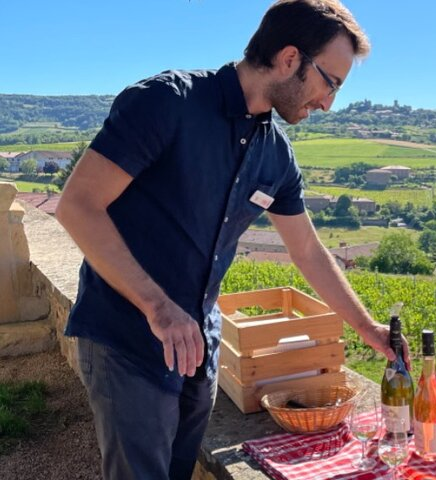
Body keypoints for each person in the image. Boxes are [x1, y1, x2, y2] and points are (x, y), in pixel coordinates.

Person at [56, 1, 408, 479]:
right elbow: (78, 205)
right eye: (331, 82)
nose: (329, 102)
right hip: (127, 342)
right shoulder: (167, 102)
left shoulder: (276, 156)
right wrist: (159, 308)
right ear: (289, 58)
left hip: (199, 349)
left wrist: (368, 329)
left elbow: (307, 251)